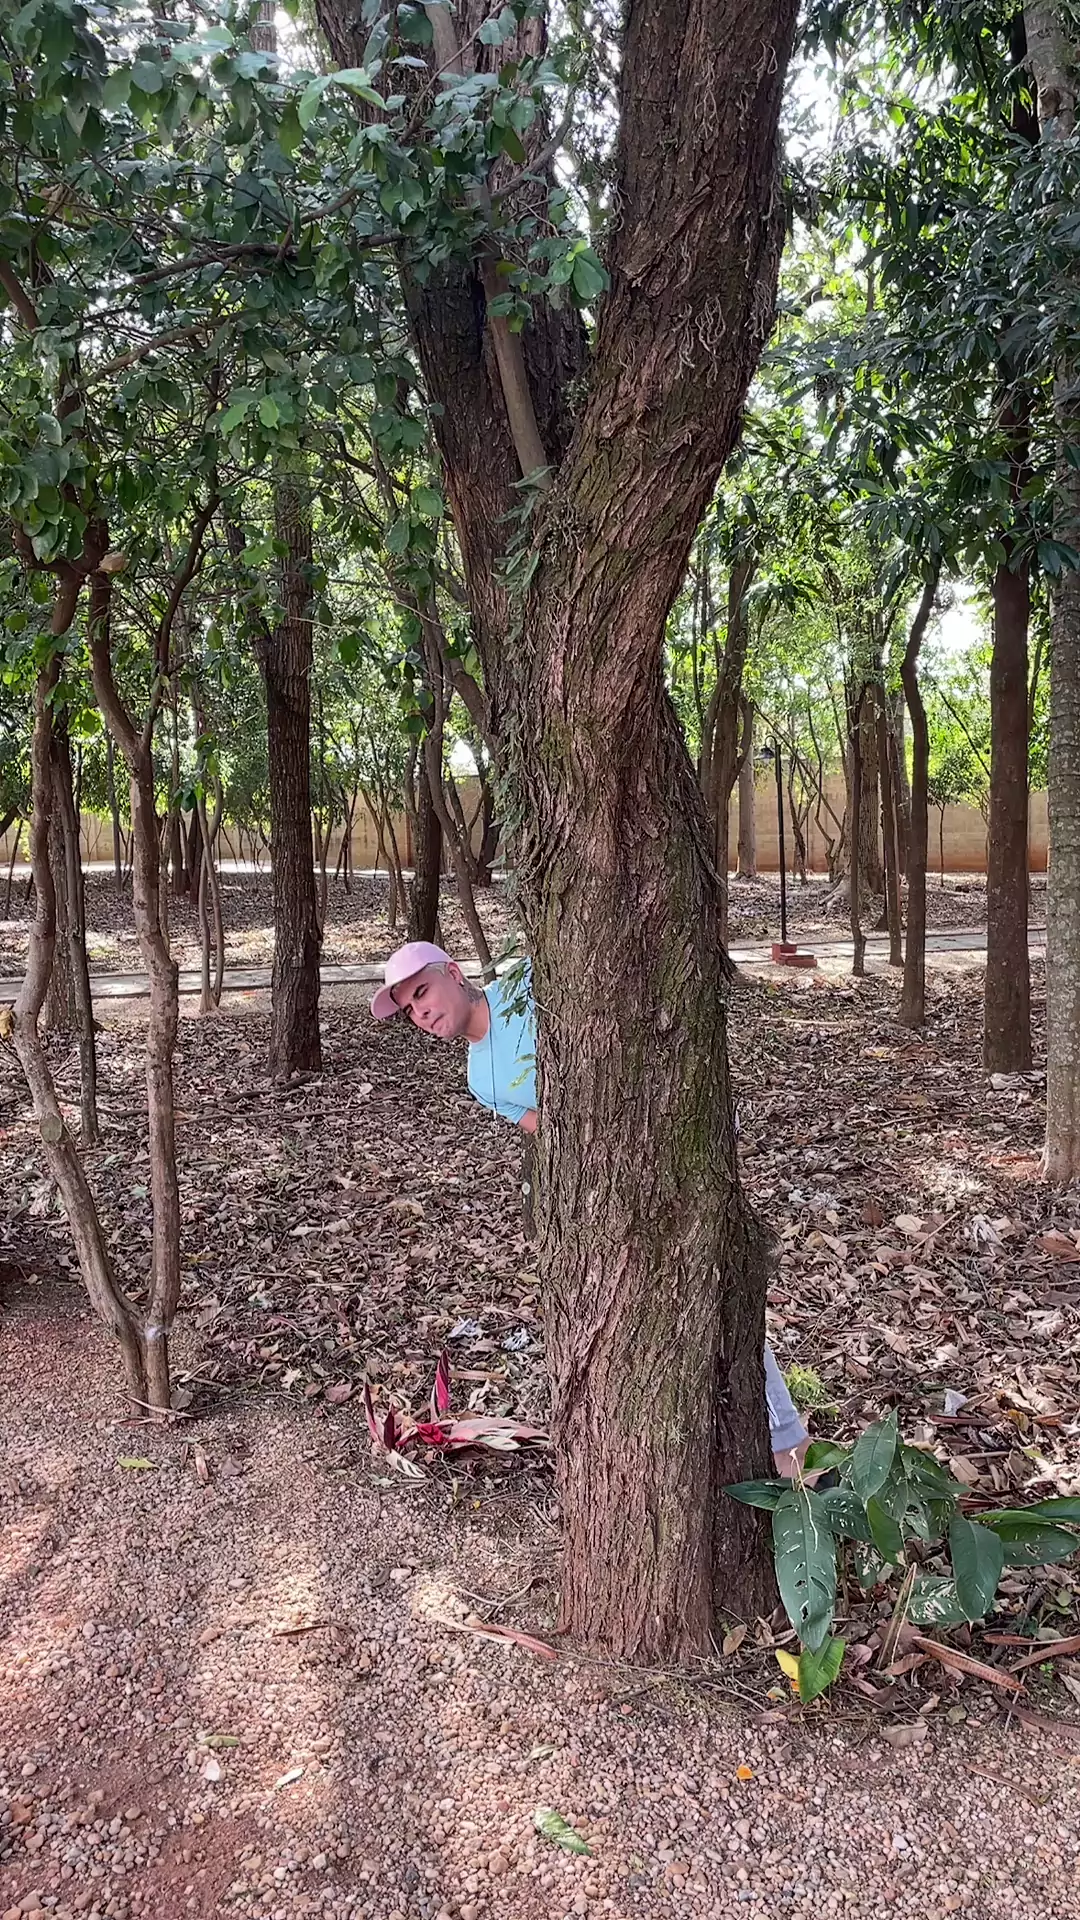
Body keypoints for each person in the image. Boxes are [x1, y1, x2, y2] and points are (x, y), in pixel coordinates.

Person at [371, 940, 811, 1476]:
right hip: (623, 1190)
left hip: (675, 1128)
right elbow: (555, 1138)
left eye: (422, 992)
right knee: (674, 1303)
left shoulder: (525, 980)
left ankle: (791, 1449)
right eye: (409, 1009)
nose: (420, 1013)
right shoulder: (479, 1080)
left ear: (454, 973)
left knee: (716, 1283)